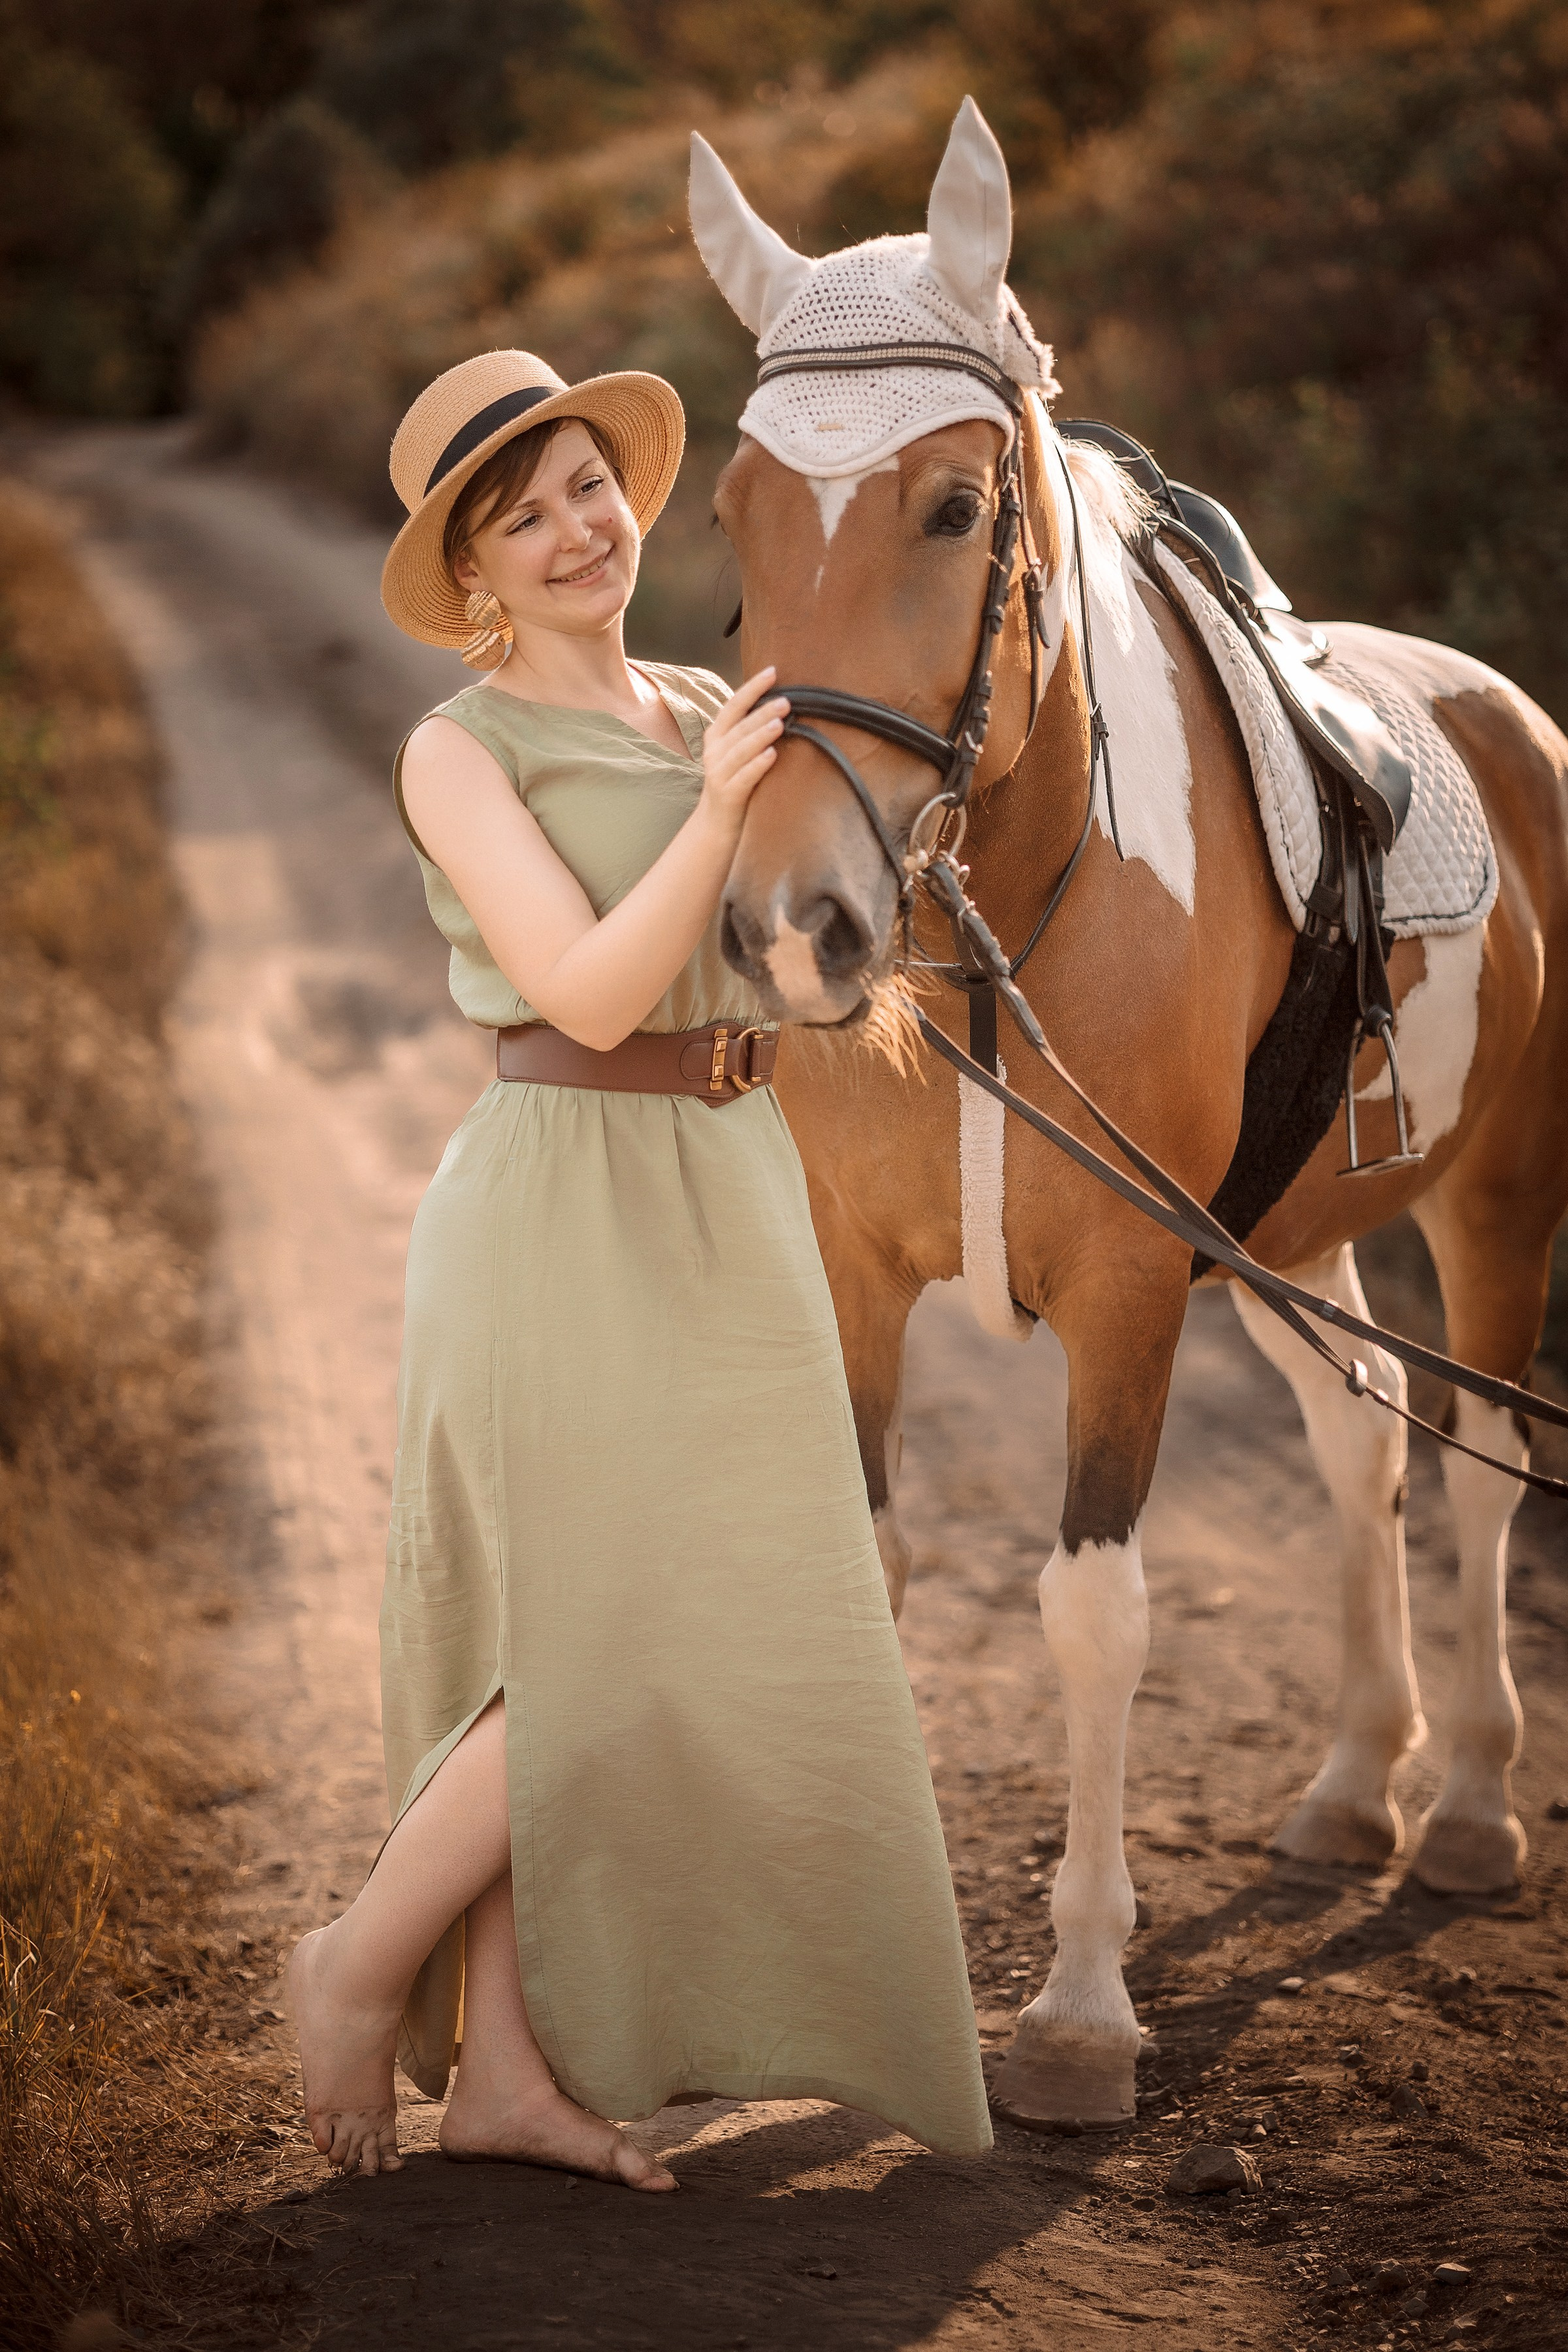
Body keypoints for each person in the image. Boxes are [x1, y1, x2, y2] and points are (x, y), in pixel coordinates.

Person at [284, 350, 990, 2189]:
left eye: (587, 484)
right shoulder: (464, 748)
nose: (575, 530)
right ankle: (356, 1974)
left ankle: (505, 2074)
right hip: (563, 1195)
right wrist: (713, 810)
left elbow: (789, 957)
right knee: (608, 1636)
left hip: (732, 1180)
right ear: (474, 577)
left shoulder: (709, 704)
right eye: (521, 519)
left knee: (633, 1629)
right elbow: (590, 990)